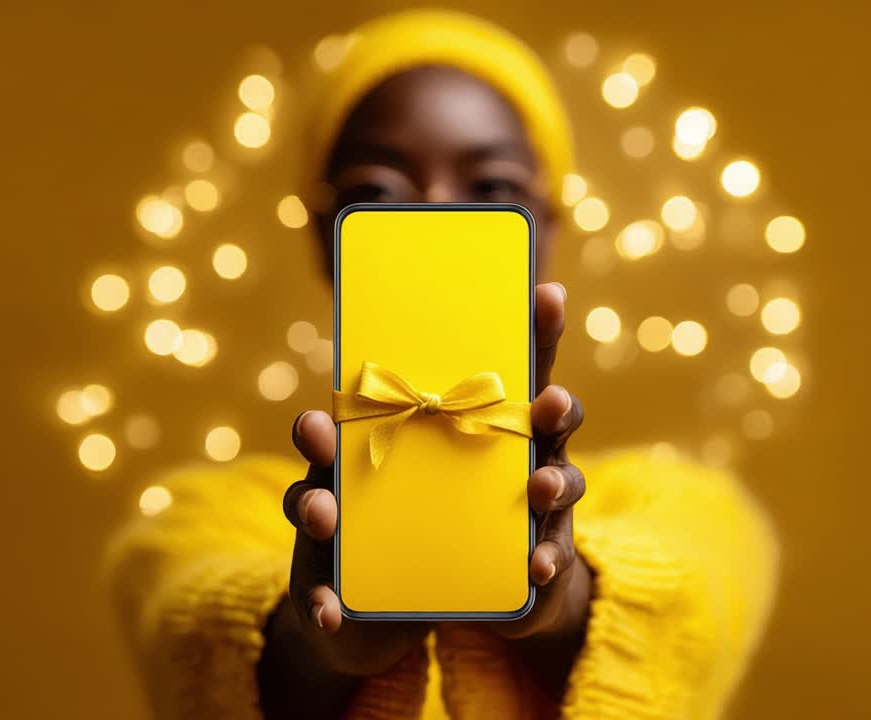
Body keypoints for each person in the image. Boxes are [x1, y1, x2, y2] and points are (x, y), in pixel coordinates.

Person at [106, 10, 778, 720]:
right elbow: (180, 611)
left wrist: (566, 598)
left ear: (548, 226)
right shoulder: (199, 515)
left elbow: (702, 597)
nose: (434, 216)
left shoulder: (682, 502)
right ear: (319, 235)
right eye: (377, 194)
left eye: (490, 191)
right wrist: (313, 647)